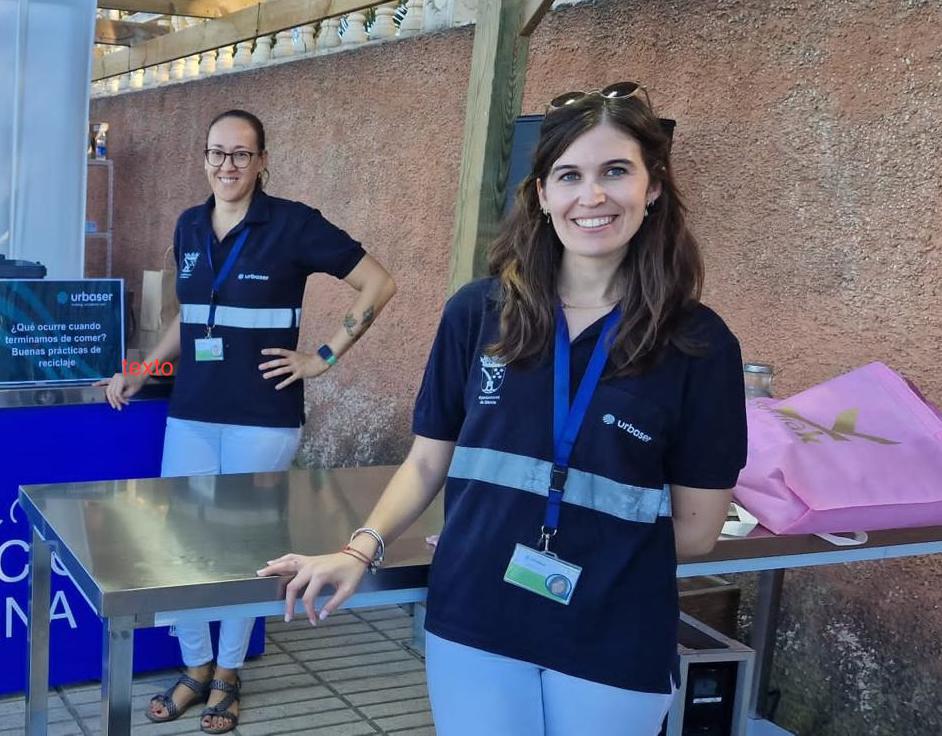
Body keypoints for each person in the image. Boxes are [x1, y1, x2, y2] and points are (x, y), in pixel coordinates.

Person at [258, 83, 747, 736]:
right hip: (477, 615)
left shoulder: (699, 344)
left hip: (613, 632)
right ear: (542, 194)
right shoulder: (477, 313)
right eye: (569, 175)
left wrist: (571, 545)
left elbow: (696, 528)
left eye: (616, 172)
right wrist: (359, 549)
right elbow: (428, 461)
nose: (592, 196)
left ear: (653, 186)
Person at [97, 109, 396, 734]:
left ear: (262, 160)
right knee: (178, 545)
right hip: (193, 415)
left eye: (240, 154)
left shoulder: (293, 224)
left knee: (244, 551)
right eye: (216, 153)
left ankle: (229, 672)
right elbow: (186, 318)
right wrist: (140, 370)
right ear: (204, 158)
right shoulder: (188, 225)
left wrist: (322, 357)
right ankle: (196, 667)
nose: (226, 166)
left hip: (263, 419)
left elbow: (377, 284)